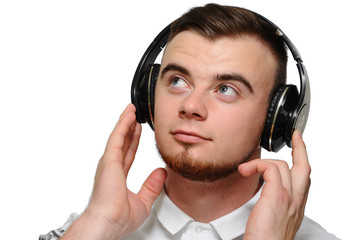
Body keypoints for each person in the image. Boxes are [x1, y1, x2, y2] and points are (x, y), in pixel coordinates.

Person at [40, 3, 338, 240]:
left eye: (226, 89)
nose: (191, 106)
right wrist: (98, 223)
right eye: (178, 81)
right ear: (148, 96)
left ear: (277, 119)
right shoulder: (85, 232)